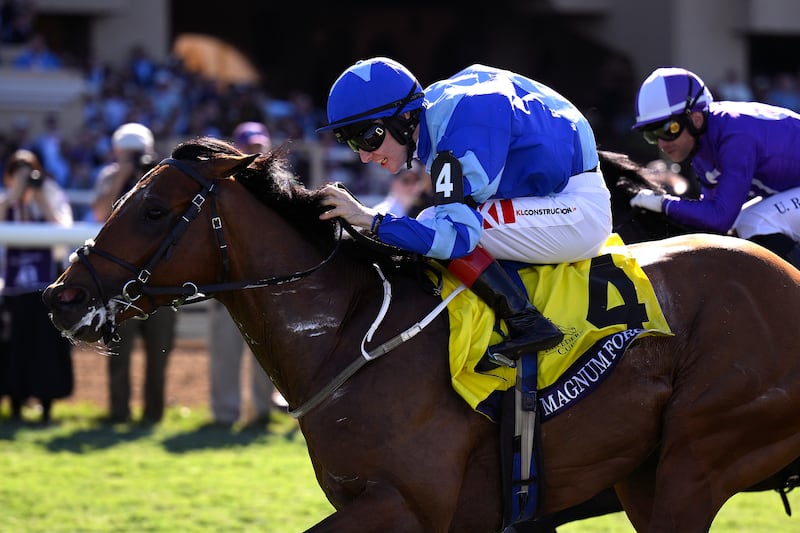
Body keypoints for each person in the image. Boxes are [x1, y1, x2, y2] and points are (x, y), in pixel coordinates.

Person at [317, 57, 612, 361]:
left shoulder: (459, 129)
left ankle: (527, 321)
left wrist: (370, 219)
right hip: (551, 195)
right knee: (434, 220)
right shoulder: (437, 114)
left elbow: (455, 237)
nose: (364, 156)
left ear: (405, 117)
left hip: (577, 210)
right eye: (352, 143)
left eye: (368, 137)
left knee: (438, 224)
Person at [629, 67, 800, 267]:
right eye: (651, 135)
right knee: (741, 226)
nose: (662, 144)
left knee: (755, 222)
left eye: (669, 129)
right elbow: (710, 218)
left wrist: (663, 203)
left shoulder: (735, 138)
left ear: (696, 119)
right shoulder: (703, 142)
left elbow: (720, 218)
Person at [92, 123, 177, 424]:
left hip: (158, 281)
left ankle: (154, 415)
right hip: (119, 285)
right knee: (118, 351)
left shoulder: (163, 178)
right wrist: (121, 176)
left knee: (159, 353)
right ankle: (119, 412)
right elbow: (101, 213)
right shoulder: (109, 176)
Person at [206, 121, 284, 427]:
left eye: (259, 147)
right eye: (250, 148)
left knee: (265, 355)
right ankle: (224, 415)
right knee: (225, 352)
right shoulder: (219, 188)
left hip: (265, 287)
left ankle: (260, 413)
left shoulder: (278, 185)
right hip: (228, 284)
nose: (256, 153)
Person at [0, 149, 73, 423]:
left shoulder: (51, 194)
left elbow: (61, 229)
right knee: (14, 347)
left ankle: (46, 405)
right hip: (13, 289)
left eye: (29, 169)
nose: (24, 174)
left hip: (45, 287)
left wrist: (39, 195)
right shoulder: (5, 199)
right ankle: (15, 403)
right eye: (17, 169)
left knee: (47, 347)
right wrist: (14, 195)